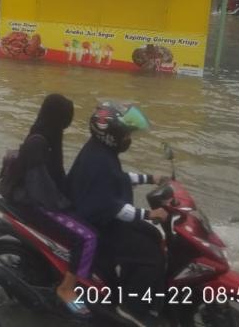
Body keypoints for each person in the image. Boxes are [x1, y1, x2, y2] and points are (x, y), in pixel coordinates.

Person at [66, 101, 168, 326]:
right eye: (126, 135)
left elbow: (118, 178)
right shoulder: (99, 160)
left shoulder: (101, 152)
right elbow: (113, 208)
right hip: (99, 223)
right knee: (150, 256)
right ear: (111, 136)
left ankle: (135, 291)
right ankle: (131, 309)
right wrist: (148, 214)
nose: (128, 139)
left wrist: (150, 178)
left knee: (153, 235)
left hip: (106, 217)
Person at [0, 94, 95, 317]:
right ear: (58, 117)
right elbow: (40, 187)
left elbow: (57, 175)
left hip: (39, 199)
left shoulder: (51, 136)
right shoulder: (38, 142)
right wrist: (64, 205)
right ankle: (66, 288)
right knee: (86, 237)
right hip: (30, 204)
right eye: (66, 117)